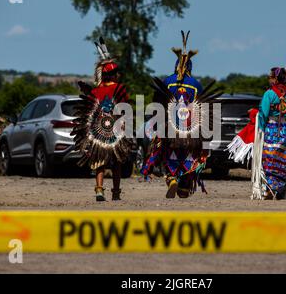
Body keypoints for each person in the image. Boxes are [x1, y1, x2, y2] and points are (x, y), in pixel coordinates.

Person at [141, 31, 220, 198]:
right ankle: (184, 187)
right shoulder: (196, 84)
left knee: (168, 153)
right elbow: (205, 107)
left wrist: (156, 126)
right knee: (189, 156)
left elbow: (158, 104)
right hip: (192, 130)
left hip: (169, 128)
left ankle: (171, 179)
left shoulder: (168, 81)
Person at [71, 37, 131, 202]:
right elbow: (125, 108)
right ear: (113, 74)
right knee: (117, 161)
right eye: (117, 73)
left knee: (99, 160)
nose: (118, 75)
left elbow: (89, 110)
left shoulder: (96, 91)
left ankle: (99, 190)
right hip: (116, 128)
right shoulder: (119, 88)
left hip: (98, 130)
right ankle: (116, 192)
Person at [251, 53, 286, 200]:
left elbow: (263, 112)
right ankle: (277, 189)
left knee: (269, 158)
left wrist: (261, 129)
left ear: (275, 78)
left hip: (270, 130)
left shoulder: (269, 94)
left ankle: (269, 188)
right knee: (283, 160)